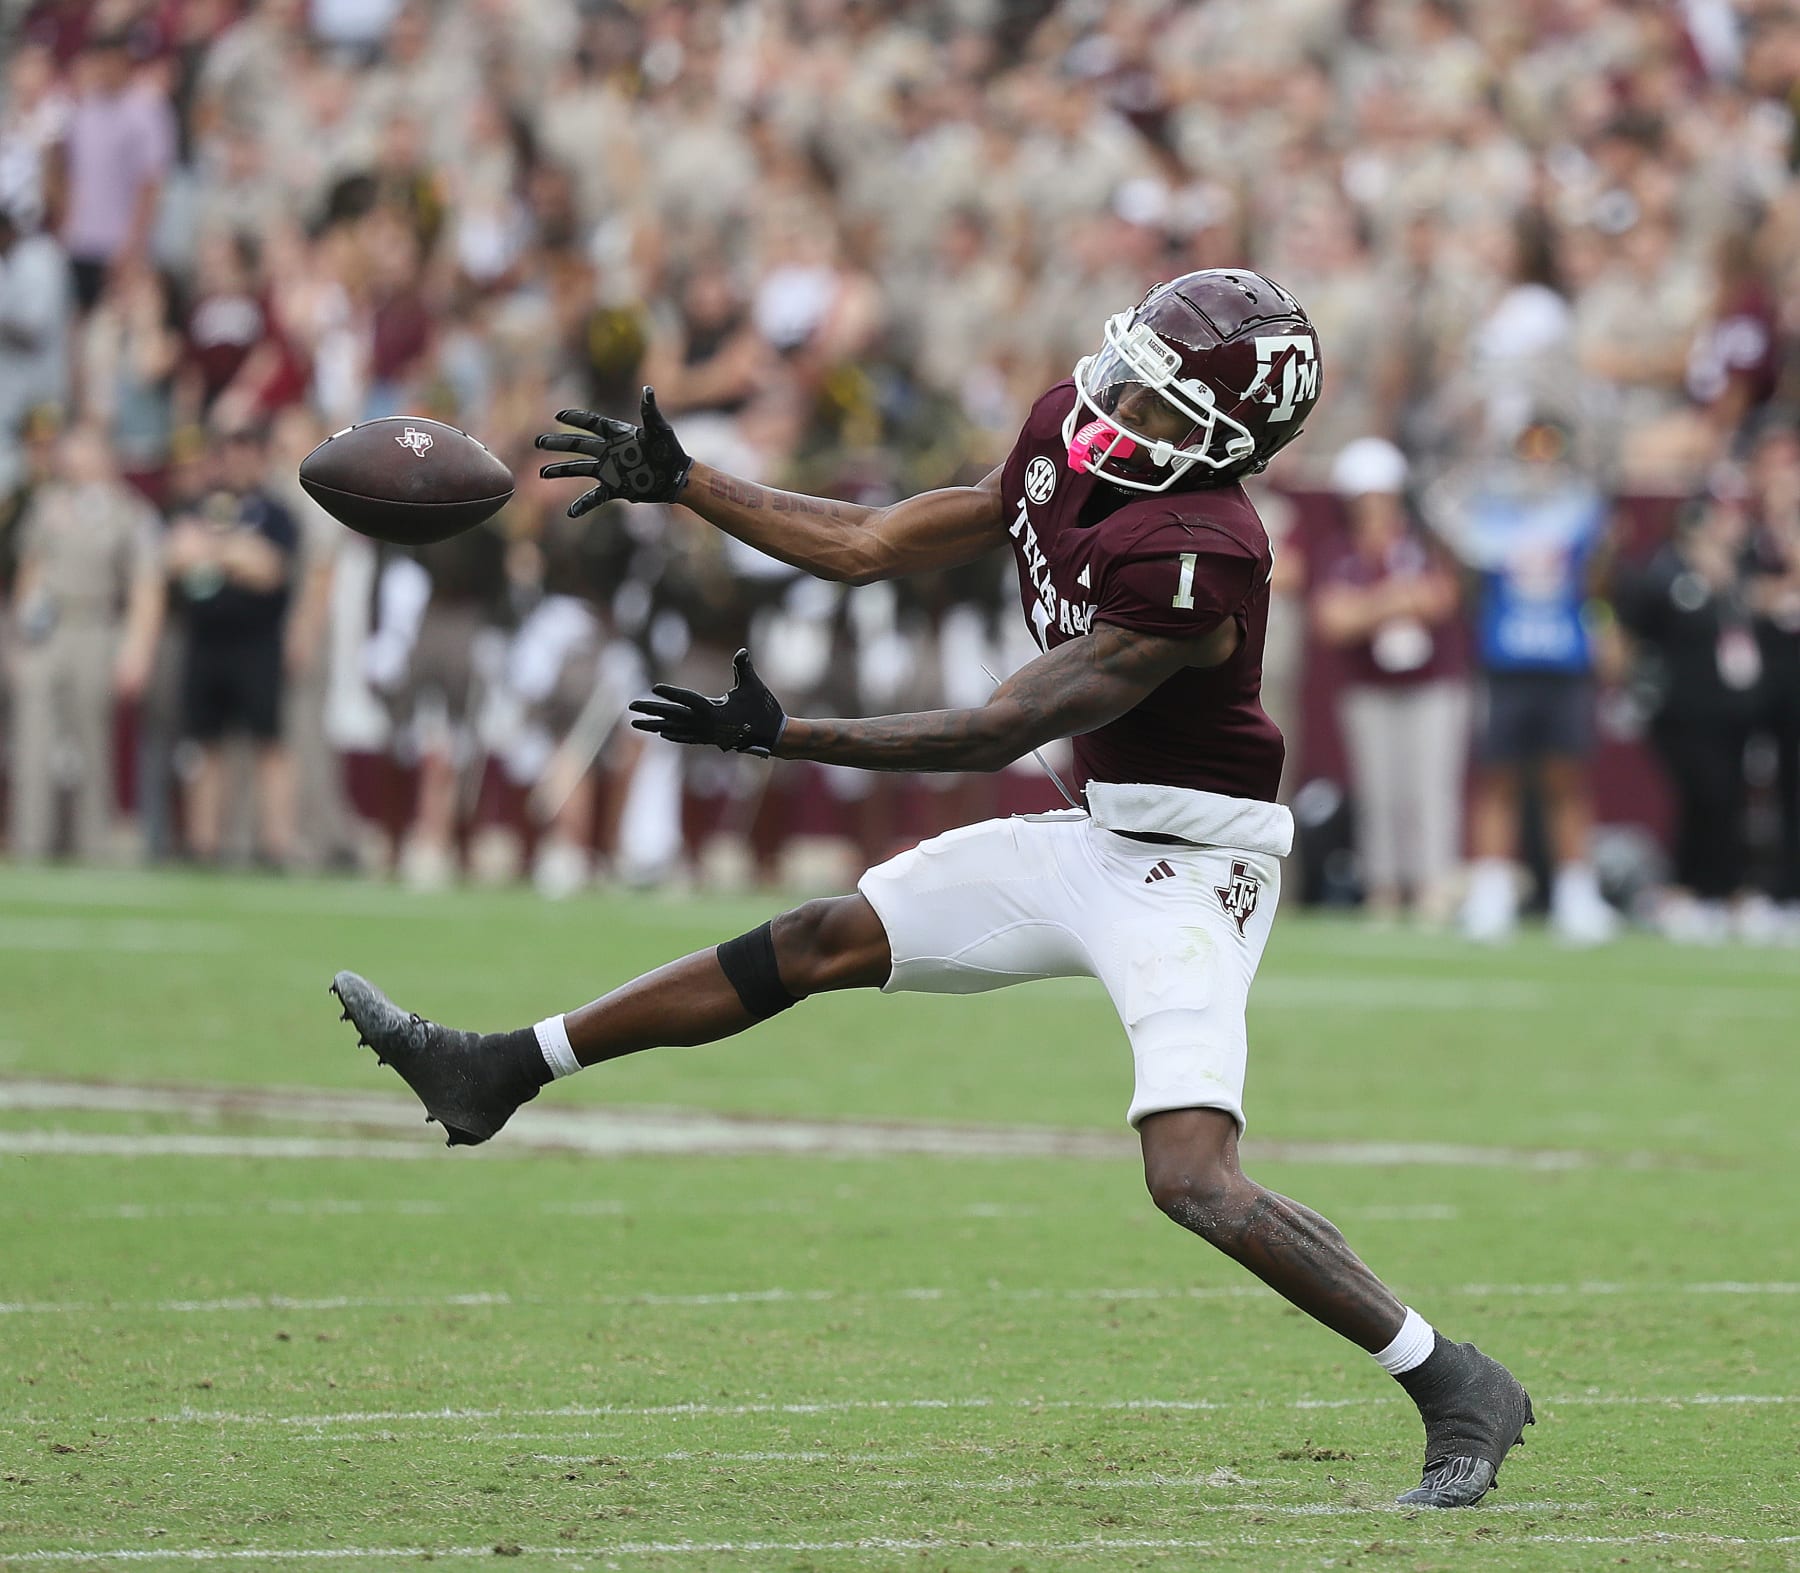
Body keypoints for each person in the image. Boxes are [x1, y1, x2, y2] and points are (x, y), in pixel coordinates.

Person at [331, 270, 1533, 1510]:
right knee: (815, 937)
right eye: (1127, 371)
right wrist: (691, 483)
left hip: (1193, 868)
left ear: (1225, 444)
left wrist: (788, 735)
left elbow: (992, 731)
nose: (1115, 406)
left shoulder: (1201, 554)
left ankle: (1456, 1382)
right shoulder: (1072, 426)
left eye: (1160, 406)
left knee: (1190, 1177)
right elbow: (874, 538)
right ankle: (497, 1070)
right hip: (1095, 827)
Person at [1312, 438, 1469, 923]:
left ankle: (1432, 884)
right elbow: (1333, 619)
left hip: (1432, 681)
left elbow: (1442, 597)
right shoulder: (1339, 550)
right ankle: (1383, 886)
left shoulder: (1422, 543)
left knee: (1429, 786)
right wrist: (1393, 599)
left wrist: (1374, 603)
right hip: (1369, 685)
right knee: (1378, 791)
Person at [7, 423, 161, 860]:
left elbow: (145, 587)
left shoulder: (130, 511)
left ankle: (93, 842)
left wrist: (137, 648)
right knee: (32, 736)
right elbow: (30, 571)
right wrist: (21, 634)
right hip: (49, 627)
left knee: (93, 738)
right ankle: (30, 840)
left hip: (96, 625)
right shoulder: (47, 504)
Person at [166, 419, 298, 864]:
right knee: (205, 744)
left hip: (256, 642)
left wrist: (217, 551)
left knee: (269, 743)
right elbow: (178, 557)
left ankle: (274, 844)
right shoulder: (199, 506)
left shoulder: (276, 513)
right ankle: (203, 843)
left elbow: (270, 568)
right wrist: (235, 554)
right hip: (206, 638)